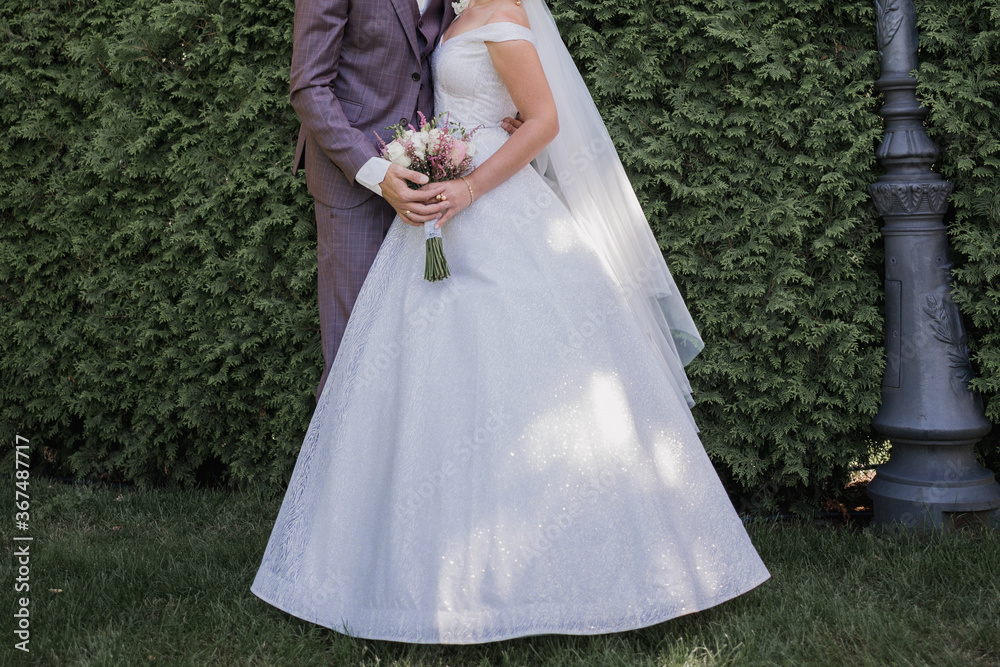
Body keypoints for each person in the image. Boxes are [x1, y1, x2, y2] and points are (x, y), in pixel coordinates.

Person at [253, 0, 770, 644]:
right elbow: (310, 84)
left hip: (467, 196)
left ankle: (516, 571)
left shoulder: (482, 6)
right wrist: (384, 169)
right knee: (368, 377)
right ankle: (361, 568)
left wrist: (487, 148)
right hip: (364, 185)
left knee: (492, 377)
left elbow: (533, 106)